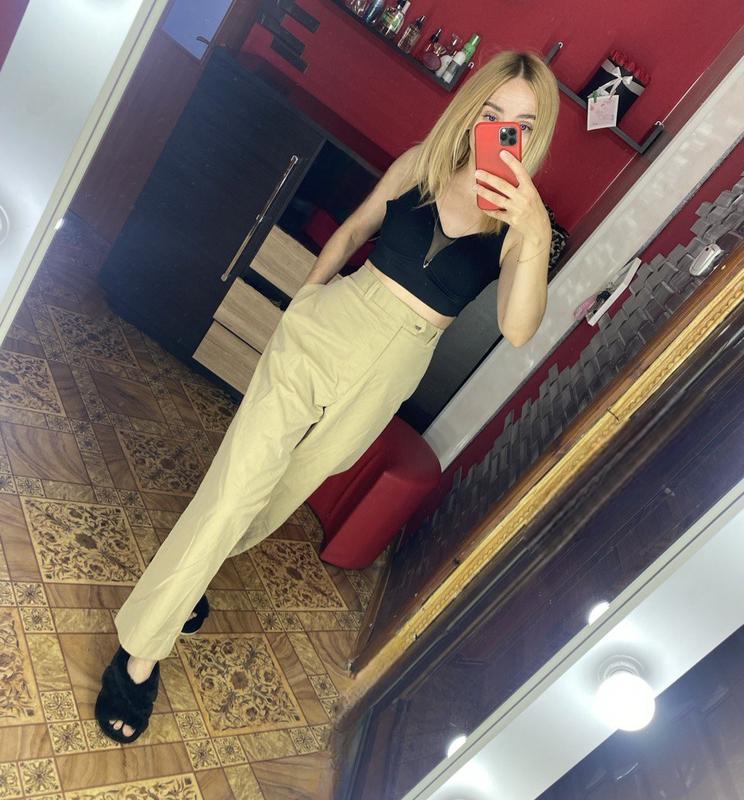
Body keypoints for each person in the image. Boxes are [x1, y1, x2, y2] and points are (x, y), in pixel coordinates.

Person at [95, 48, 560, 743]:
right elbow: (354, 230)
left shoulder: (521, 226)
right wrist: (307, 299)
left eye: (521, 124)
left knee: (275, 498)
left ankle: (185, 584)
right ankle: (139, 654)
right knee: (234, 491)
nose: (502, 130)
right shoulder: (420, 165)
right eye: (492, 112)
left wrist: (536, 229)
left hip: (389, 373)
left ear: (536, 135)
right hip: (327, 328)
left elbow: (518, 329)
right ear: (472, 111)